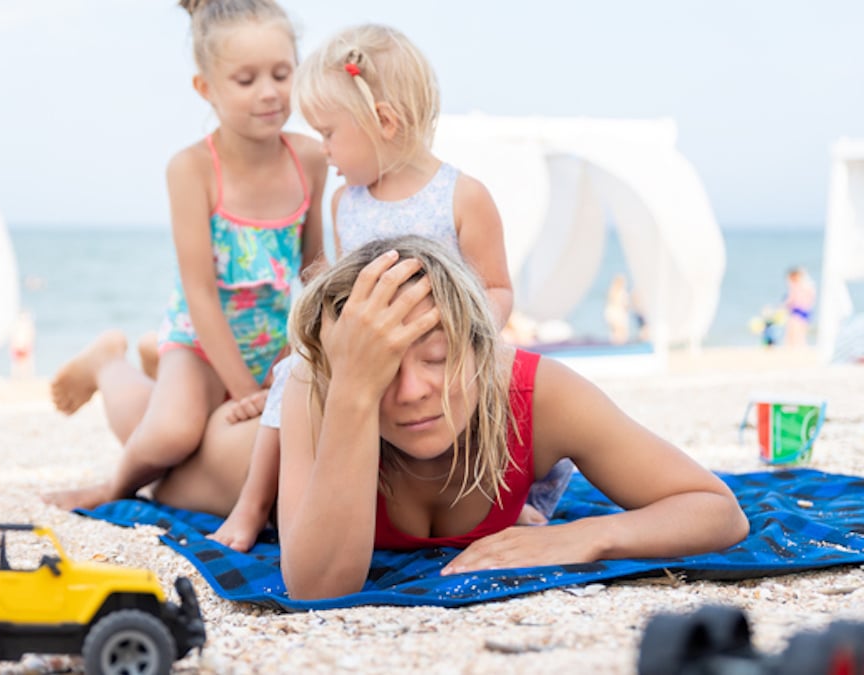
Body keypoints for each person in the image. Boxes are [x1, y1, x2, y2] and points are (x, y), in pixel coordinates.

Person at [211, 23, 567, 551]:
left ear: (383, 121)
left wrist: (466, 336)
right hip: (371, 354)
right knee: (295, 371)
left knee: (515, 388)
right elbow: (336, 297)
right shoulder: (345, 203)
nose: (323, 151)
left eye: (329, 133)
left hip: (443, 352)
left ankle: (513, 500)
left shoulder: (463, 196)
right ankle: (253, 505)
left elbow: (496, 288)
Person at [275, 236, 750, 600]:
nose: (413, 390)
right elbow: (317, 589)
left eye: (438, 358)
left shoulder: (535, 391)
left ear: (482, 349)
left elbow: (717, 510)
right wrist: (353, 392)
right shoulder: (317, 390)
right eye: (382, 367)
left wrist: (589, 536)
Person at [44, 0, 326, 511]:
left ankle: (126, 363)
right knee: (172, 436)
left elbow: (315, 270)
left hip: (272, 343)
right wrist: (242, 389)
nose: (268, 92)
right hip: (200, 341)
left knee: (201, 441)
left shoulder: (308, 158)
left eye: (282, 74)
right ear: (207, 89)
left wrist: (298, 355)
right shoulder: (193, 169)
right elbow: (198, 290)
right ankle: (111, 407)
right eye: (245, 80)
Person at [783, 266, 816, 348]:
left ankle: (795, 347)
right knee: (800, 331)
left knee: (794, 331)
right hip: (804, 310)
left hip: (798, 310)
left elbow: (792, 299)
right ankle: (799, 346)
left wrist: (785, 304)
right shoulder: (805, 285)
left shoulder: (798, 286)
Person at [604, 273, 631, 345]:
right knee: (620, 331)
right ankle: (619, 344)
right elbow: (625, 305)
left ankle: (616, 344)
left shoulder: (612, 291)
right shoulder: (621, 292)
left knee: (616, 331)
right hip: (617, 313)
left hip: (613, 313)